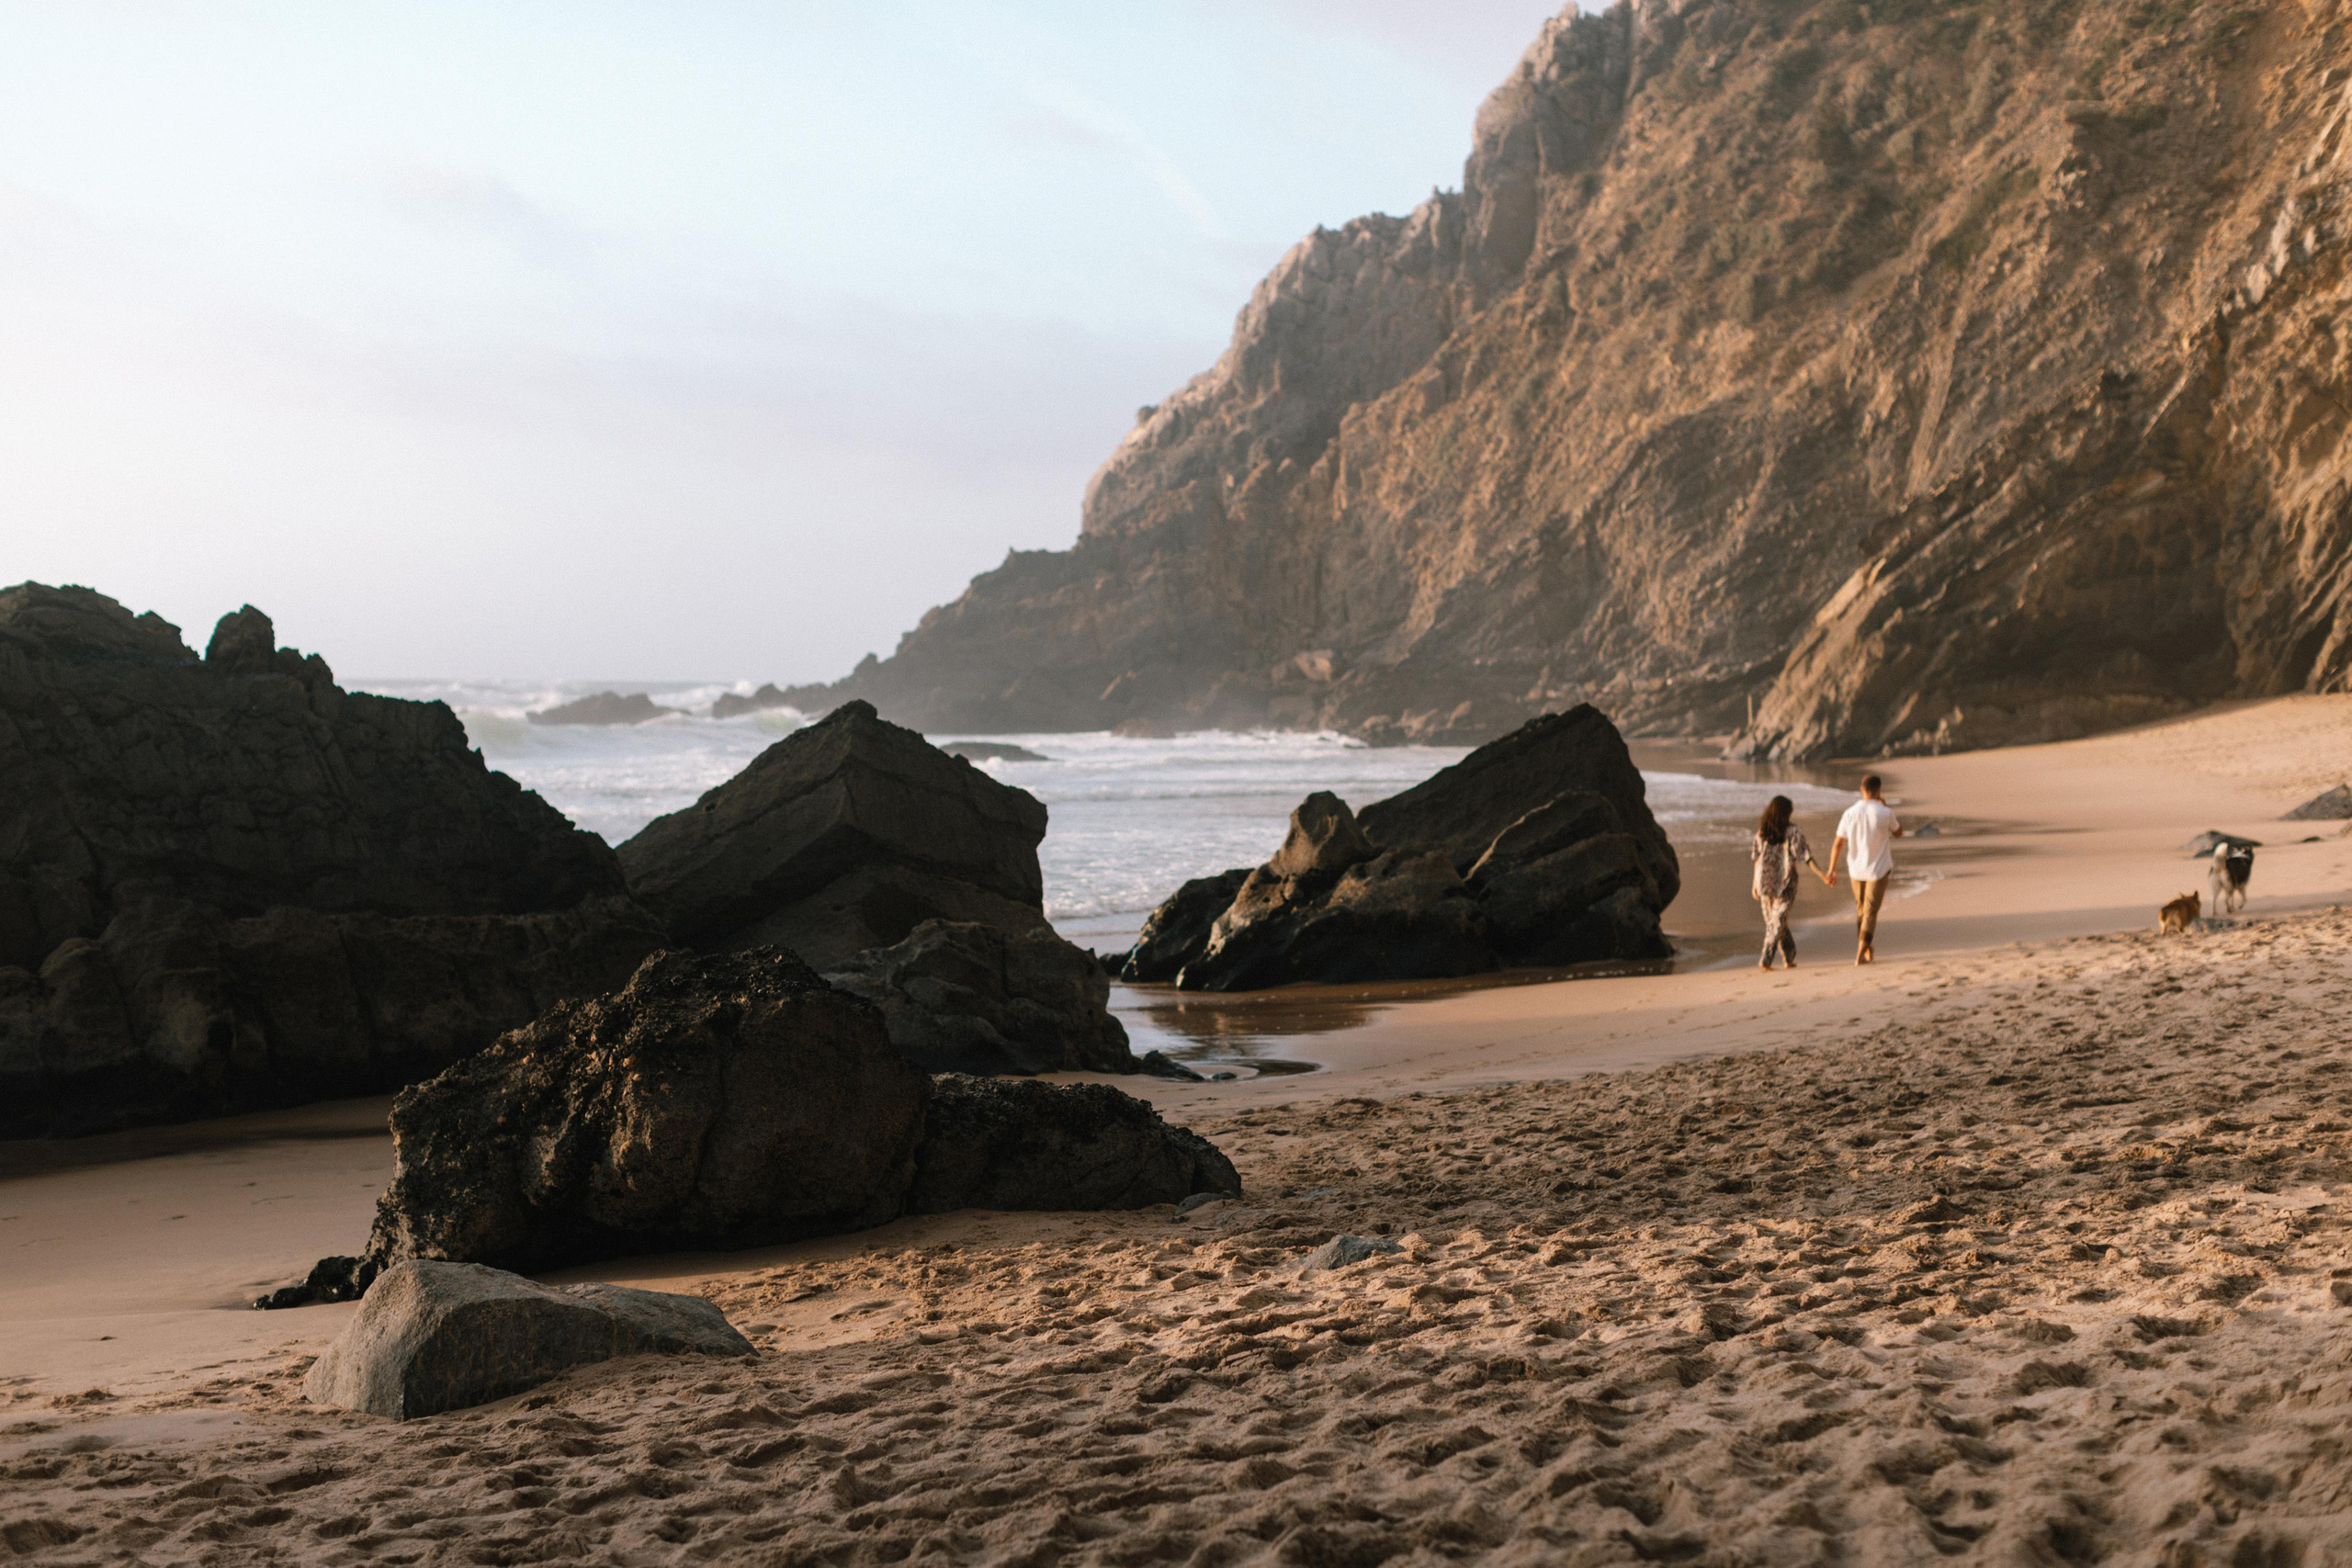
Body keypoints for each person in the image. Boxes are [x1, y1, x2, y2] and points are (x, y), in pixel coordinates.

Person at [1825, 773, 1903, 964]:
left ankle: (1866, 949)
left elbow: (1838, 843)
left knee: (1861, 910)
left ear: (1861, 790)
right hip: (1878, 870)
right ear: (1879, 791)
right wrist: (1884, 806)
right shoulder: (1884, 812)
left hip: (1855, 870)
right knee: (1870, 912)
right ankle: (1861, 950)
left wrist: (1832, 869)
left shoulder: (1849, 813)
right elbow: (1899, 833)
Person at [1750, 794, 1830, 970]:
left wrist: (1822, 874)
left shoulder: (1794, 832)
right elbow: (1757, 859)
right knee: (1776, 923)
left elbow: (1805, 856)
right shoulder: (1762, 833)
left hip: (1786, 884)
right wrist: (1754, 885)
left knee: (1776, 922)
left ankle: (1766, 959)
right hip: (1765, 884)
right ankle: (1789, 955)